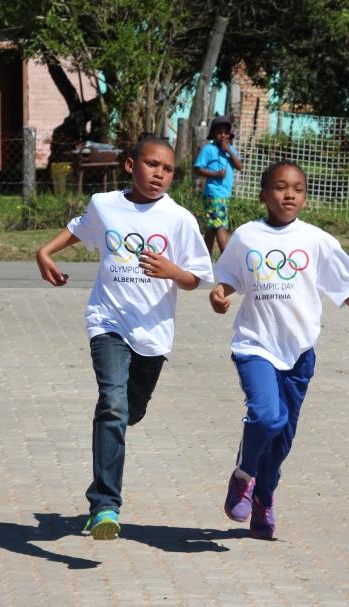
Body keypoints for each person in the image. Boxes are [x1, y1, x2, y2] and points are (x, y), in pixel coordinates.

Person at [35, 136, 214, 540]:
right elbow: (78, 230)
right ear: (131, 165)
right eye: (152, 165)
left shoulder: (180, 219)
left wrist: (173, 272)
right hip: (108, 321)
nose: (159, 175)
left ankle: (114, 426)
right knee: (112, 405)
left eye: (167, 169)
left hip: (153, 334)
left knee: (128, 410)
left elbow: (196, 279)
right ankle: (104, 506)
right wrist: (44, 253)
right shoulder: (105, 205)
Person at [209, 160, 349, 539]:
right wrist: (219, 295)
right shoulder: (247, 236)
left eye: (297, 188)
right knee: (267, 418)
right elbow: (227, 279)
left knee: (282, 438)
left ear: (306, 198)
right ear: (264, 195)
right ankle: (243, 474)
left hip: (298, 354)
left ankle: (264, 497)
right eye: (280, 187)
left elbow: (347, 288)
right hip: (255, 345)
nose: (289, 194)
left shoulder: (316, 240)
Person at [193, 115, 242, 256]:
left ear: (229, 134)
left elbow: (239, 166)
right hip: (214, 194)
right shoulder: (209, 149)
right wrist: (215, 175)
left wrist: (228, 151)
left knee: (212, 228)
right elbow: (197, 168)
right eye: (219, 132)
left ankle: (204, 258)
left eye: (225, 132)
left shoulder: (230, 150)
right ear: (214, 134)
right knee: (220, 226)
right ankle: (227, 259)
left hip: (224, 194)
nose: (222, 135)